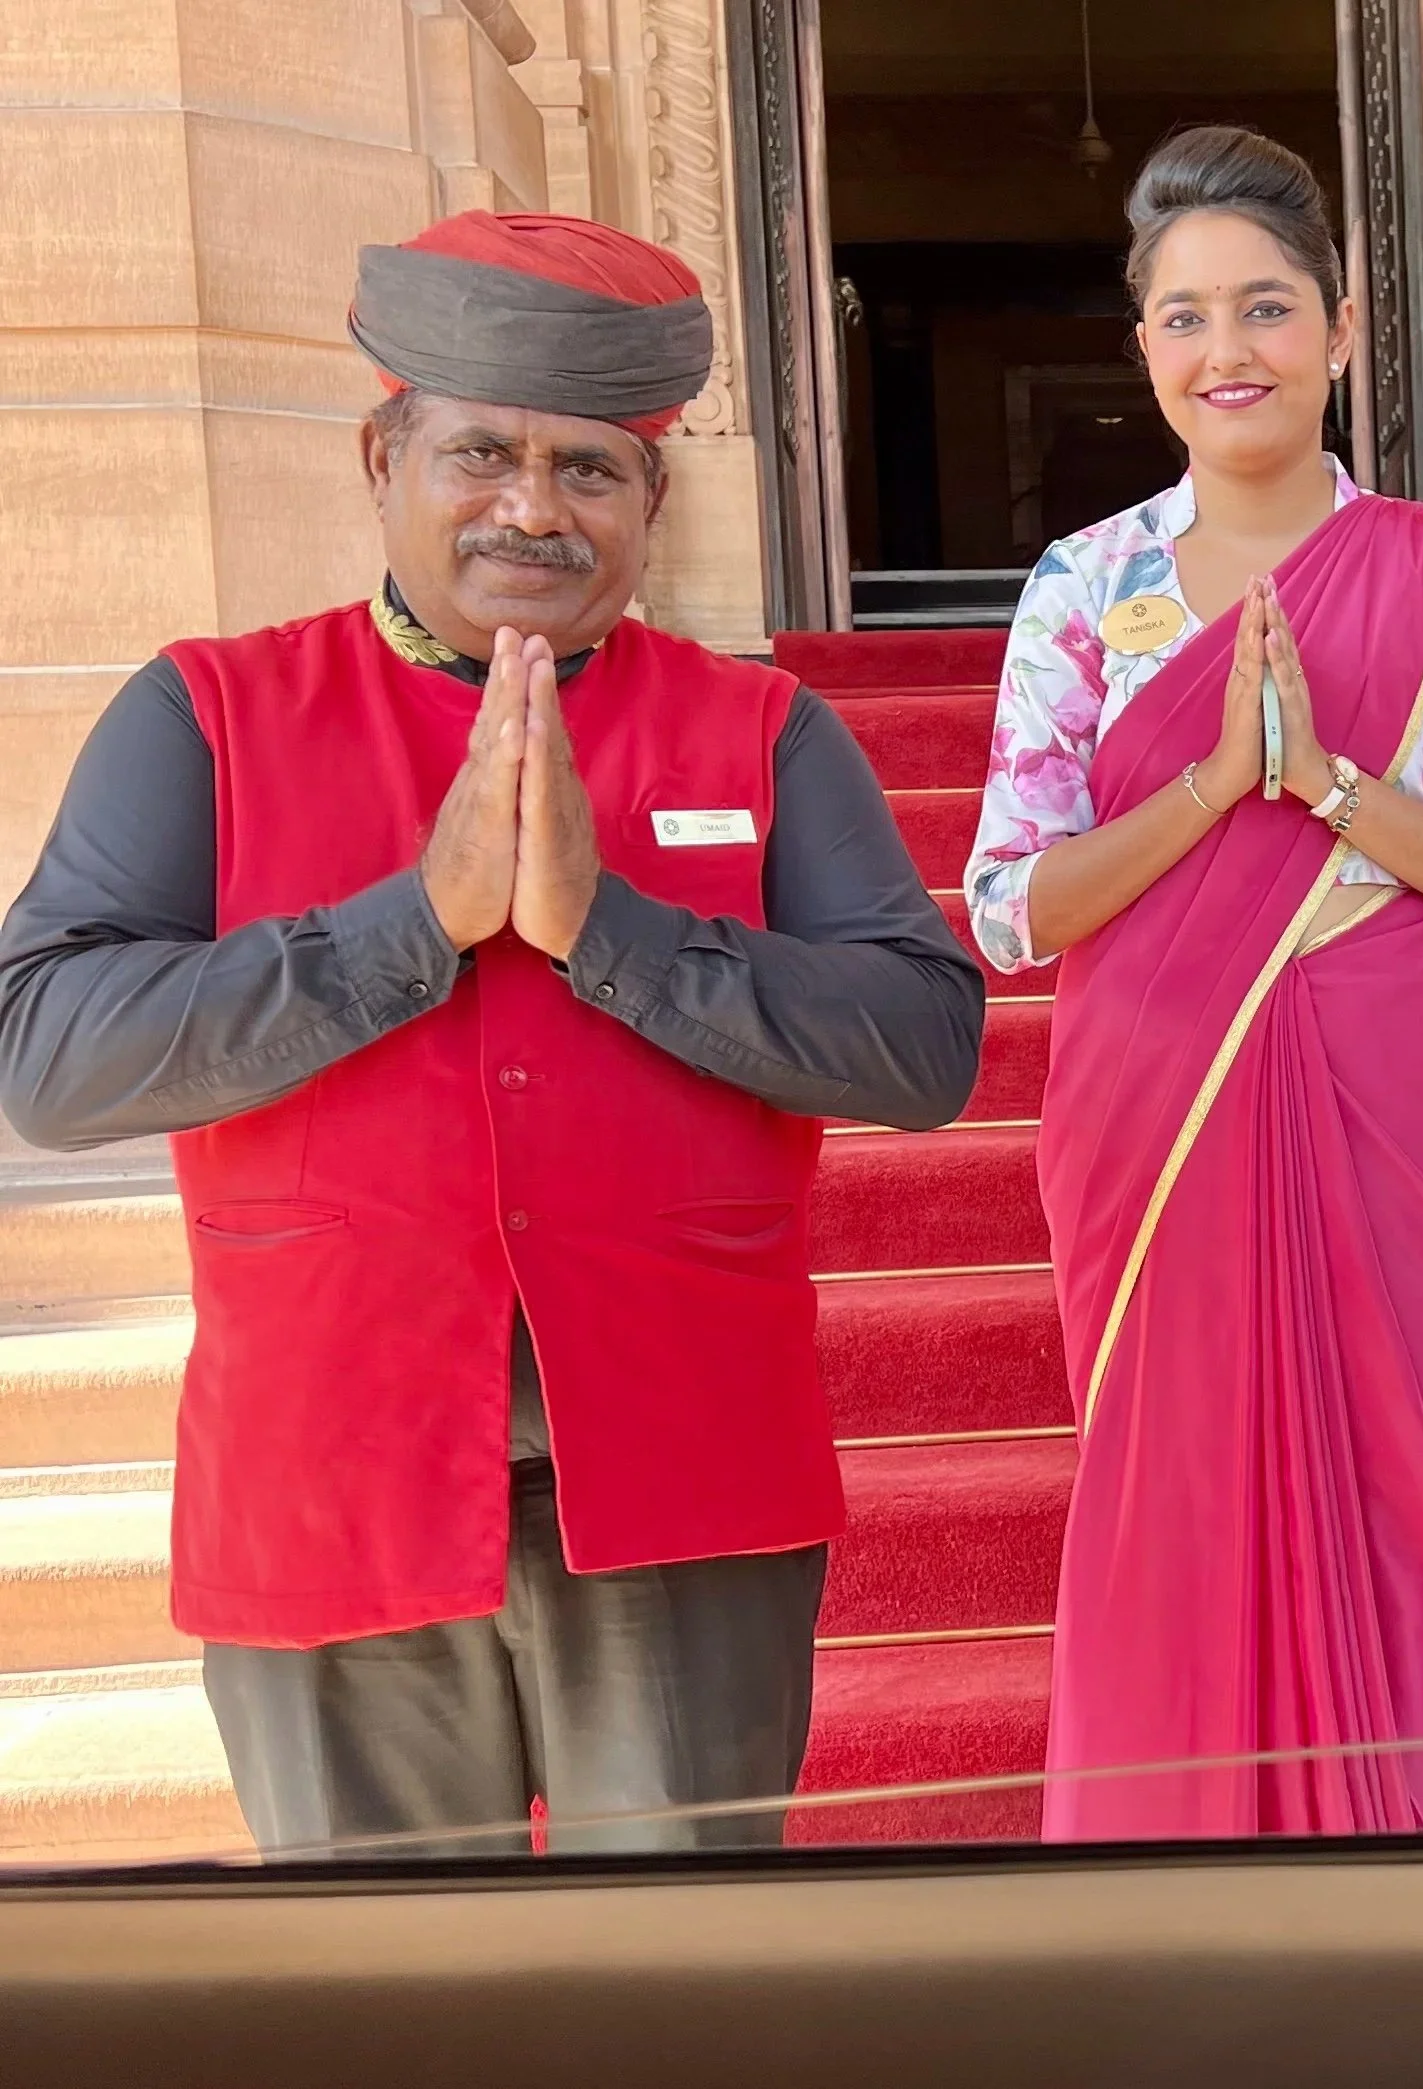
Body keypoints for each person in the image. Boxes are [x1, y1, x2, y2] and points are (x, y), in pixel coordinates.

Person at [0, 212, 984, 1856]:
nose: (532, 508)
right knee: (390, 2003)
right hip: (329, 1476)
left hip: (683, 1491)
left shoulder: (760, 728)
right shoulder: (209, 712)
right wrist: (417, 922)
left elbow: (920, 1046)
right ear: (385, 458)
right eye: (481, 454)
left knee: (678, 1999)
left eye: (589, 471)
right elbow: (50, 1052)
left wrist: (612, 933)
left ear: (653, 503)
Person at [964, 127, 1423, 1840]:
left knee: (1414, 1489)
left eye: (1261, 308)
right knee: (1181, 1502)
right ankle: (1179, 1906)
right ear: (1142, 347)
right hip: (1157, 1104)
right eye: (1181, 317)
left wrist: (1326, 785)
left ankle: (1418, 1898)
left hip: (1402, 1101)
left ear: (1337, 325)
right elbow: (1010, 906)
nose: (1223, 350)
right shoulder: (1086, 589)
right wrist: (1213, 783)